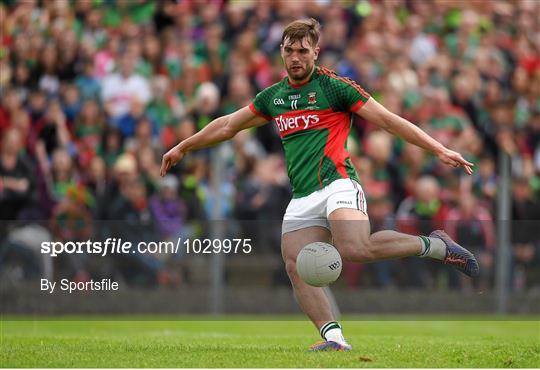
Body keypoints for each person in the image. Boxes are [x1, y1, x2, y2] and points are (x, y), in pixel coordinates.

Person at [160, 18, 479, 352]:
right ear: (281, 52)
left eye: (302, 50)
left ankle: (436, 246)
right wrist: (184, 145)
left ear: (316, 52)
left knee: (355, 248)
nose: (295, 57)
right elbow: (227, 125)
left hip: (338, 183)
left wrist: (438, 148)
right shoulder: (274, 97)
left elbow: (388, 120)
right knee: (295, 264)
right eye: (288, 50)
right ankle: (335, 339)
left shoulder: (335, 88)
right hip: (302, 195)